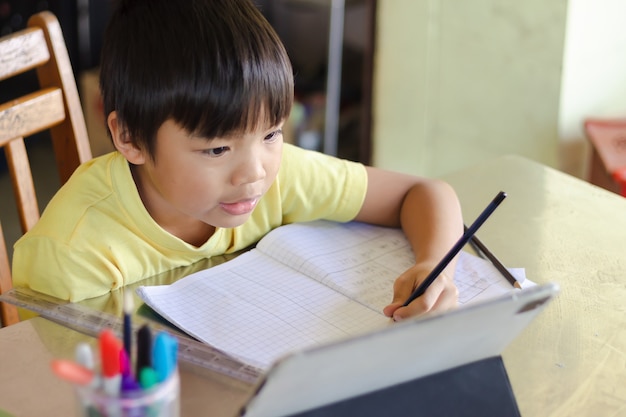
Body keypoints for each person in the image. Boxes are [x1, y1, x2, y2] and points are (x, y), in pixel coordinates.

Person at [12, 0, 463, 321]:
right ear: (130, 138)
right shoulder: (72, 253)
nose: (254, 173)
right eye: (216, 149)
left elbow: (421, 192)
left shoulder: (277, 172)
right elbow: (52, 378)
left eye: (271, 133)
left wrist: (434, 265)